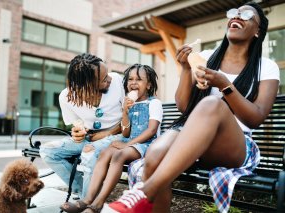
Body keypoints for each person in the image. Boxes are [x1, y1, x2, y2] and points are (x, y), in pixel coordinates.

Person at [107, 2, 280, 213]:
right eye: (234, 13)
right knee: (154, 156)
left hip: (234, 146)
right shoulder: (206, 57)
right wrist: (185, 68)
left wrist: (224, 85)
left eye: (246, 15)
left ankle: (143, 193)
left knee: (212, 103)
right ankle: (145, 197)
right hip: (191, 137)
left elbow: (256, 118)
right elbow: (183, 106)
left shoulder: (267, 67)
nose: (237, 17)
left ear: (257, 31)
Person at [60, 64, 163, 213]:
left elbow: (152, 130)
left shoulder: (154, 103)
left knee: (118, 155)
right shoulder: (130, 104)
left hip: (147, 144)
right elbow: (126, 133)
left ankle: (98, 203)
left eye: (139, 80)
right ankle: (87, 199)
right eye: (130, 79)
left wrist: (127, 145)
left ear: (149, 85)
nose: (133, 83)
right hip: (131, 143)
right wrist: (125, 112)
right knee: (104, 153)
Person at [39, 53, 125, 199]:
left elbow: (131, 117)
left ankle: (87, 204)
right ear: (87, 85)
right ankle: (84, 193)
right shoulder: (66, 97)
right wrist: (78, 132)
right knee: (48, 151)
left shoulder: (117, 80)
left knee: (89, 152)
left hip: (120, 135)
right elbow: (78, 125)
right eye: (104, 79)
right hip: (91, 138)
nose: (109, 78)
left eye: (107, 74)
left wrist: (107, 133)